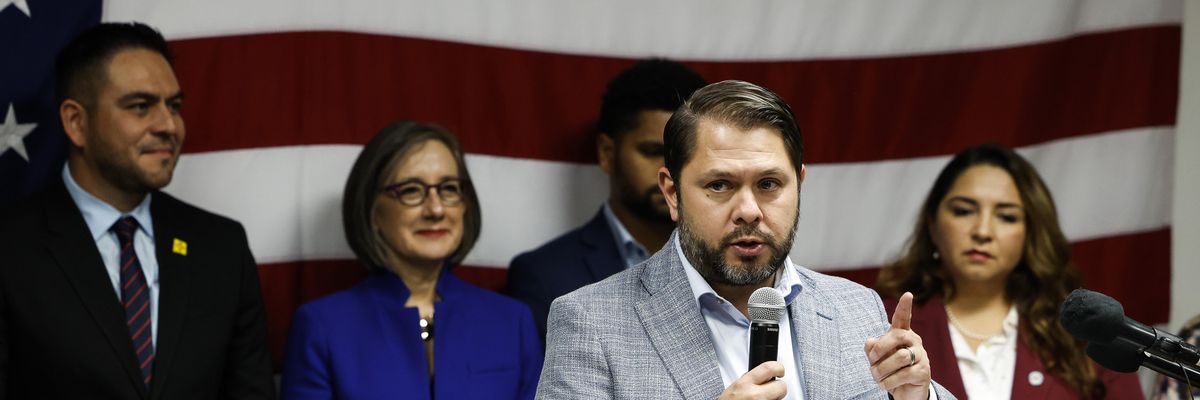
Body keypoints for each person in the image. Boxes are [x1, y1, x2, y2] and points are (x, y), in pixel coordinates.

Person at [537, 80, 952, 399]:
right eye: (719, 185)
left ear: (799, 184)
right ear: (672, 192)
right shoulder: (589, 322)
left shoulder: (855, 308)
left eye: (769, 183)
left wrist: (918, 396)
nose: (749, 210)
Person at [0, 22, 275, 398]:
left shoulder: (222, 248)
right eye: (140, 106)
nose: (169, 125)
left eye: (174, 106)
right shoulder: (10, 248)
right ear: (76, 122)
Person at [281, 121, 543, 399]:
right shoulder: (322, 327)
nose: (436, 209)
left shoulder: (512, 321)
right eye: (411, 190)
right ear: (373, 210)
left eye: (449, 188)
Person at [875, 144, 1144, 399]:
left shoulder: (1086, 332)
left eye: (1006, 216)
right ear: (933, 225)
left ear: (1030, 233)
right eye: (964, 211)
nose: (982, 231)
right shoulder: (881, 325)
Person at [507, 59, 706, 342]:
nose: (669, 171)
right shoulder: (546, 276)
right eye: (652, 151)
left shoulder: (733, 259)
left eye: (684, 155)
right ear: (606, 152)